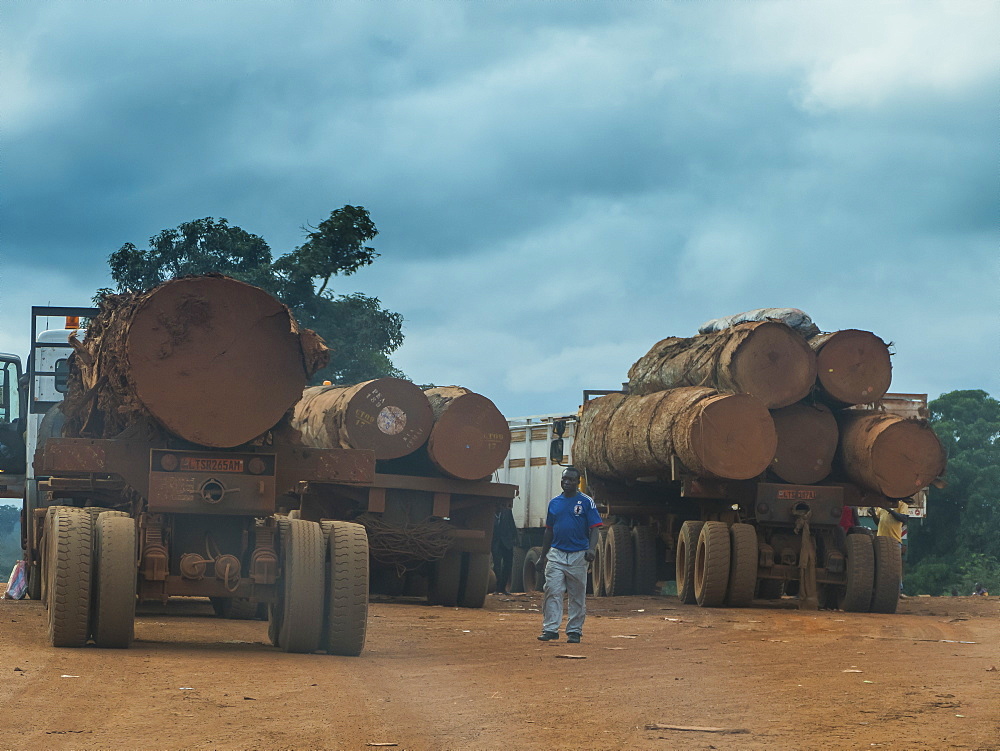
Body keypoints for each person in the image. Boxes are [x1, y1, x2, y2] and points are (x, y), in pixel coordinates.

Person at [537, 467, 602, 644]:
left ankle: (574, 631)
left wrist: (591, 549)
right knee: (552, 590)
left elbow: (594, 528)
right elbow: (549, 531)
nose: (567, 482)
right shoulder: (554, 503)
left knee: (577, 595)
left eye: (571, 480)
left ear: (578, 482)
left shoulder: (586, 502)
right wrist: (543, 557)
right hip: (556, 554)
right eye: (564, 479)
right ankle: (550, 629)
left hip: (578, 555)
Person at [871, 500, 909, 594]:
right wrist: (873, 515)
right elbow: (879, 522)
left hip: (894, 540)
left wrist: (890, 510)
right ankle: (879, 588)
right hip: (881, 539)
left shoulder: (902, 504)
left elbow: (904, 519)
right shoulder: (881, 506)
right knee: (879, 565)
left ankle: (898, 589)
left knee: (895, 566)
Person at [491, 504, 517, 595]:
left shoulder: (507, 512)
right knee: (496, 565)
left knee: (508, 565)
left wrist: (514, 539)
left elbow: (512, 525)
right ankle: (498, 588)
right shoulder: (489, 513)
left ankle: (503, 588)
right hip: (495, 543)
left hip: (507, 542)